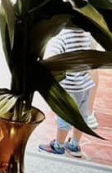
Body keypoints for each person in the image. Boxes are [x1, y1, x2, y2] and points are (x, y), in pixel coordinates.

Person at [38, 25, 95, 158]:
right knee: (81, 117)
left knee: (65, 116)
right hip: (85, 84)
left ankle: (58, 145)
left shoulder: (62, 36)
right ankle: (75, 145)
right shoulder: (85, 34)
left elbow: (51, 60)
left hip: (69, 87)